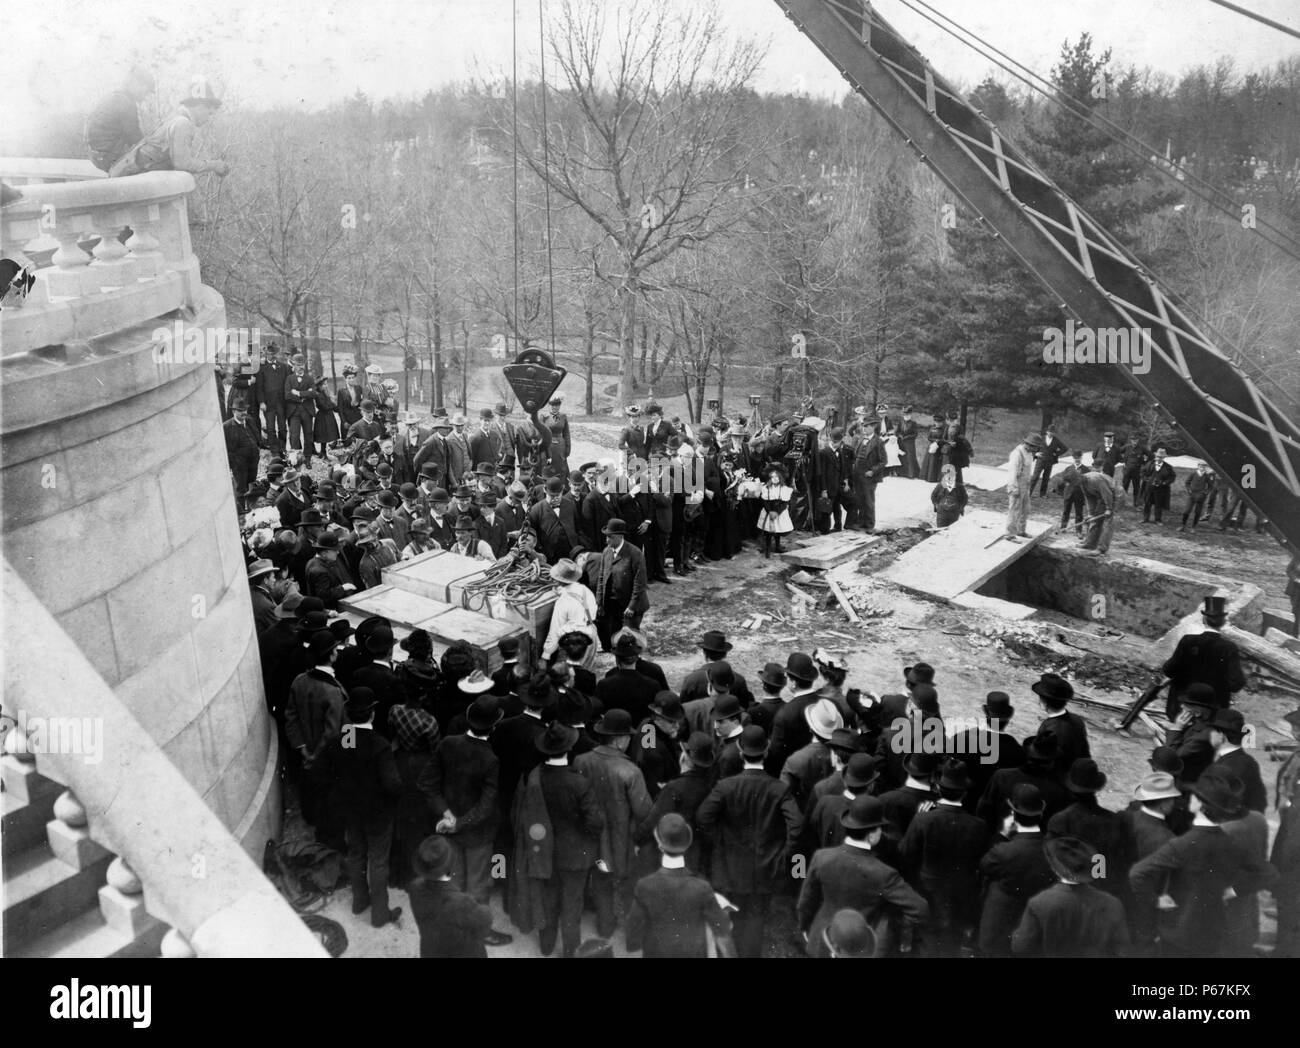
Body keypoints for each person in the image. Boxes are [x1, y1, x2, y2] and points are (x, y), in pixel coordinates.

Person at [1129, 767, 1277, 957]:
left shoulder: (1182, 844)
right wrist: (1232, 891)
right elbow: (1269, 874)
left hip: (1177, 932)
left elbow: (1137, 874)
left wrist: (1155, 900)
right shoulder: (1230, 843)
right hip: (1212, 930)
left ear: (1199, 805)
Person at [695, 726, 802, 958]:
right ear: (766, 752)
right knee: (755, 920)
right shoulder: (779, 788)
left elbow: (703, 816)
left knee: (729, 917)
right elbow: (797, 825)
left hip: (729, 866)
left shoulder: (726, 786)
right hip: (764, 868)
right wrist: (784, 854)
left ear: (741, 753)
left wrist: (719, 841)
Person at [509, 721, 604, 958]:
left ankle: (546, 946)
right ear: (569, 749)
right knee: (572, 905)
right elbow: (595, 822)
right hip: (575, 856)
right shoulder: (579, 782)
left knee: (548, 900)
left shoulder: (534, 776)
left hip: (543, 854)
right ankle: (571, 951)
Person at [797, 794, 929, 958]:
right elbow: (920, 908)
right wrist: (899, 928)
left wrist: (805, 927)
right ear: (872, 835)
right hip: (860, 947)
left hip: (822, 939)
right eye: (880, 828)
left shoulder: (821, 857)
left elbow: (805, 901)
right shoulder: (884, 873)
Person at [326, 686, 403, 928]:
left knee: (356, 853)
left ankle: (359, 901)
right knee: (378, 861)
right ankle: (380, 914)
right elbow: (392, 784)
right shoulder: (379, 745)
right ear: (372, 714)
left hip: (351, 811)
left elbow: (337, 769)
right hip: (377, 815)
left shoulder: (345, 738)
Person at [574, 709, 655, 938]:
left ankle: (605, 925)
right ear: (619, 740)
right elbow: (645, 812)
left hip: (591, 837)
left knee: (600, 879)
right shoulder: (630, 771)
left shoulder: (581, 761)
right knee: (628, 883)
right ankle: (631, 932)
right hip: (622, 841)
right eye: (628, 737)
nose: (630, 740)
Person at [626, 814, 735, 958]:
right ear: (687, 844)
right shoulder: (702, 888)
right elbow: (723, 934)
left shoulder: (644, 886)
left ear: (660, 845)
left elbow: (633, 936)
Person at [1012, 836, 1129, 957]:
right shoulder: (1112, 903)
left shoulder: (1039, 903)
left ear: (1055, 868)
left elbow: (1021, 947)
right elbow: (1123, 950)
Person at [976, 784, 1055, 958]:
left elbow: (984, 865)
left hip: (999, 931)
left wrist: (1003, 834)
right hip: (1033, 931)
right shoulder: (1053, 849)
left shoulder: (1004, 851)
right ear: (1040, 814)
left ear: (1013, 815)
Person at [108, 75, 232, 179]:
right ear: (199, 107)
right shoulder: (183, 124)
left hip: (127, 174)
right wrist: (214, 165)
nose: (208, 118)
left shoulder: (175, 118)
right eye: (209, 113)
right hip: (129, 178)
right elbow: (182, 164)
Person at [407, 835, 494, 958]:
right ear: (451, 866)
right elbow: (486, 921)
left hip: (431, 951)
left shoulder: (414, 887)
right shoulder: (461, 903)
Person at [1161, 595, 1245, 712]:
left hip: (1180, 709)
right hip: (1212, 712)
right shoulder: (1229, 648)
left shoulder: (1187, 640)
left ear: (1203, 620)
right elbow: (1237, 683)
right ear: (1223, 622)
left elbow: (1169, 670)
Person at [85, 65, 156, 172]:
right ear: (136, 84)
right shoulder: (126, 103)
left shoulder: (115, 96)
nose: (145, 96)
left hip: (96, 155)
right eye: (145, 91)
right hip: (107, 159)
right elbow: (135, 138)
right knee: (151, 168)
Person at [593, 519, 649, 651]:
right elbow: (601, 577)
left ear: (620, 536)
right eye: (606, 536)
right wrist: (599, 602)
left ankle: (629, 658)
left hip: (629, 604)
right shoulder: (606, 552)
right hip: (612, 601)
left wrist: (632, 606)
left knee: (628, 635)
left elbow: (640, 582)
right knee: (607, 628)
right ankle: (610, 649)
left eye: (610, 537)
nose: (606, 540)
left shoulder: (634, 553)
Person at [1206, 708, 1267, 813]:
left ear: (1221, 736)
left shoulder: (1224, 767)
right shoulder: (1248, 760)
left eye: (1211, 732)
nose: (1208, 735)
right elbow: (1260, 801)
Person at [1031, 673, 1090, 776]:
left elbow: (1044, 762)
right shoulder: (1077, 720)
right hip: (1078, 773)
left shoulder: (1049, 729)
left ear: (1044, 703)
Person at [223, 398, 260, 513]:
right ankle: (241, 511)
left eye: (245, 410)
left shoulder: (249, 421)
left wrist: (257, 449)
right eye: (240, 410)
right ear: (234, 411)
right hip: (239, 463)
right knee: (240, 486)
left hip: (253, 460)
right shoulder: (227, 426)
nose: (244, 413)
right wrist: (233, 462)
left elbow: (256, 436)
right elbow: (225, 448)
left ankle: (251, 506)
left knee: (252, 483)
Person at [849, 427, 888, 533]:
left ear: (872, 428)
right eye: (863, 426)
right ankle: (861, 522)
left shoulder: (879, 442)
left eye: (867, 427)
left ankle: (870, 525)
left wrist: (872, 471)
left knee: (868, 500)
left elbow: (883, 461)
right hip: (858, 474)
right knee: (859, 499)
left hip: (869, 476)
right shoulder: (862, 438)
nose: (864, 429)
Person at [817, 426, 856, 532]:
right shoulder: (824, 452)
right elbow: (822, 474)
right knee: (827, 509)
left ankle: (840, 526)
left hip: (839, 486)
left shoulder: (841, 451)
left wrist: (846, 482)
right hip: (829, 487)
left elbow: (844, 469)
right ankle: (824, 530)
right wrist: (824, 490)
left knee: (845, 504)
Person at [1004, 432, 1040, 542]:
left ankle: (1021, 530)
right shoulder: (1017, 454)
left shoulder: (1028, 452)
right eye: (1034, 447)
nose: (1035, 450)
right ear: (1028, 444)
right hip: (1017, 484)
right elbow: (1012, 473)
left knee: (1025, 509)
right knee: (1015, 510)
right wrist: (1014, 488)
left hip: (1026, 484)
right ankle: (1009, 534)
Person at [285, 355, 319, 465]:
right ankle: (296, 459)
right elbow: (287, 395)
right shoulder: (289, 378)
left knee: (308, 435)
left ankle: (307, 459)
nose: (300, 367)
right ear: (293, 366)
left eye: (302, 364)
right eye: (297, 365)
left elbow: (314, 393)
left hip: (307, 411)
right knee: (294, 436)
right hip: (294, 411)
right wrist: (305, 395)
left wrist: (298, 393)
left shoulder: (309, 378)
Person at [1077, 469, 1116, 556]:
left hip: (1115, 495)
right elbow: (1089, 498)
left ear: (1080, 477)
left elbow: (1107, 493)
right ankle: (1090, 543)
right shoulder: (1082, 483)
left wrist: (1109, 509)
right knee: (1095, 519)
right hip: (1102, 497)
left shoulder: (1095, 479)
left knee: (1107, 522)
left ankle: (1101, 548)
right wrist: (1091, 513)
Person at [1053, 451, 1088, 537]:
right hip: (1068, 493)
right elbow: (1062, 480)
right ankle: (1063, 527)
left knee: (1079, 513)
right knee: (1066, 511)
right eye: (1075, 458)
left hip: (1079, 494)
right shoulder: (1068, 468)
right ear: (1073, 459)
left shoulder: (1086, 469)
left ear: (1081, 458)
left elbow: (1087, 482)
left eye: (1078, 458)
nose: (1077, 460)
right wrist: (1064, 484)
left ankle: (1078, 530)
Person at [1029, 425, 1069, 497]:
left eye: (1052, 432)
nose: (1051, 433)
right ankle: (1029, 493)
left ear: (1054, 433)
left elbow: (1065, 448)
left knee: (1046, 478)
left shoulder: (1056, 440)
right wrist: (1035, 453)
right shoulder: (1041, 438)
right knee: (1035, 477)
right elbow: (1033, 446)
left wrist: (1056, 454)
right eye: (1050, 432)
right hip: (1040, 461)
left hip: (1050, 461)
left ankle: (1042, 494)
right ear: (1047, 432)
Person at [1140, 447, 1176, 524]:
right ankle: (1145, 518)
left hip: (1160, 489)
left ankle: (1158, 520)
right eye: (1158, 457)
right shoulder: (1150, 464)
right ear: (1155, 456)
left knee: (1158, 504)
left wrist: (1164, 482)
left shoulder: (1168, 467)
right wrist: (1146, 479)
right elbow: (1142, 472)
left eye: (1161, 457)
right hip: (1149, 488)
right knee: (1147, 503)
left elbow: (1172, 477)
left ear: (1164, 458)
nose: (1159, 458)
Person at [1179, 461, 1214, 531]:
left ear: (1205, 467)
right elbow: (1187, 482)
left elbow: (1210, 486)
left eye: (1204, 466)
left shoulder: (1207, 476)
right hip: (1192, 495)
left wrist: (1205, 493)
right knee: (1186, 511)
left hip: (1201, 496)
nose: (1202, 468)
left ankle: (1193, 527)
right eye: (1201, 466)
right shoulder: (1193, 473)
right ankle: (1183, 525)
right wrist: (1189, 490)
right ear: (1198, 466)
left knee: (1197, 512)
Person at [1119, 434, 1148, 508]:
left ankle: (1136, 504)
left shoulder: (1142, 448)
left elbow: (1151, 456)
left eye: (1136, 440)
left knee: (1136, 487)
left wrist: (1144, 463)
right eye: (1133, 440)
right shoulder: (1126, 447)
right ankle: (1122, 504)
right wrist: (1122, 461)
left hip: (1137, 471)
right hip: (1127, 470)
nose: (1134, 441)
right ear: (1131, 440)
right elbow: (1117, 452)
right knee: (1124, 487)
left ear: (1138, 440)